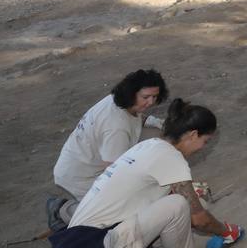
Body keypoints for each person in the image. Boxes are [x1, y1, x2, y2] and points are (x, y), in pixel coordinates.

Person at [50, 100, 239, 248]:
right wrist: (227, 230)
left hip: (78, 247)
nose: (202, 147)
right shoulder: (171, 159)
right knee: (178, 205)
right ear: (192, 134)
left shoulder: (148, 146)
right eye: (204, 141)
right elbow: (199, 219)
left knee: (173, 200)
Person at [48, 69, 168, 229]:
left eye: (154, 96)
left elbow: (137, 117)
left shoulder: (120, 101)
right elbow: (113, 174)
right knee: (116, 213)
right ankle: (63, 211)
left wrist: (156, 122)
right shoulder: (116, 127)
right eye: (146, 97)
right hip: (82, 175)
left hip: (84, 158)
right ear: (132, 93)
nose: (151, 102)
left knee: (156, 134)